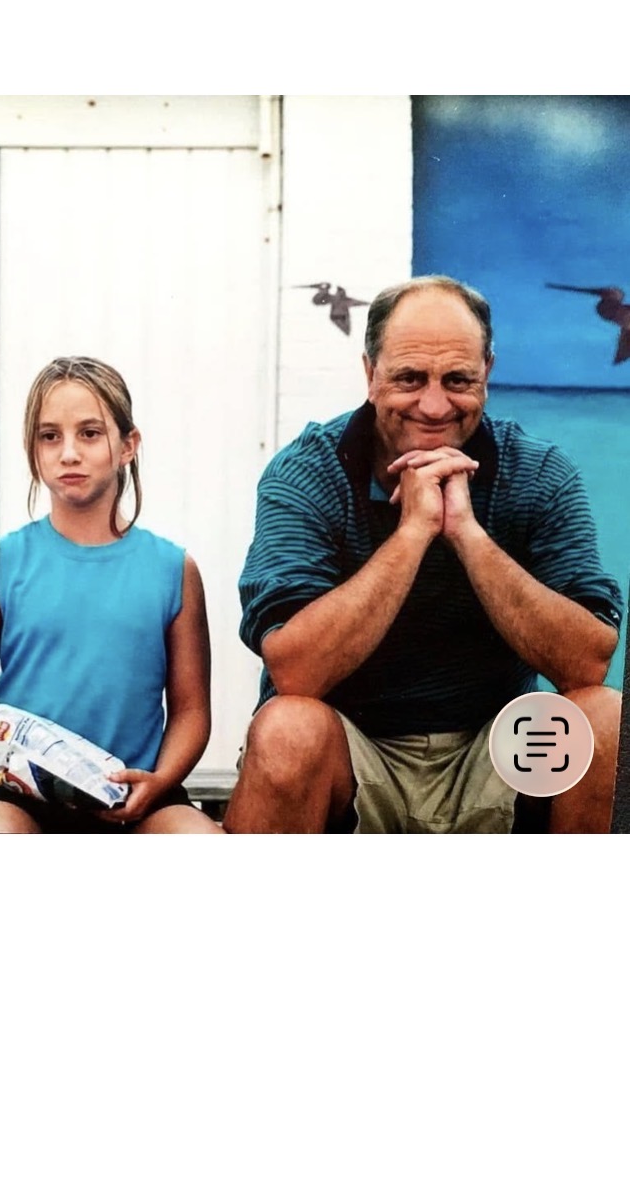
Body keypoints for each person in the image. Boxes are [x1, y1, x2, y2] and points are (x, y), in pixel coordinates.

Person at [224, 276, 624, 834]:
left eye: (457, 379)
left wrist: (466, 533)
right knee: (288, 727)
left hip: (497, 753)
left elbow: (588, 663)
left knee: (605, 717)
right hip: (355, 754)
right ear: (370, 374)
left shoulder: (538, 473)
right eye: (409, 378)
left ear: (487, 370)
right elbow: (295, 671)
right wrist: (412, 533)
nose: (434, 406)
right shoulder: (307, 472)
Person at [0, 355, 219, 833]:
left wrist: (160, 780)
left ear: (128, 446)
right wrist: (31, 750)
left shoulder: (174, 569)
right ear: (34, 451)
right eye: (49, 436)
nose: (68, 453)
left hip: (138, 794)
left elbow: (191, 711)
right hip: (16, 796)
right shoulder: (2, 561)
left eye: (89, 433)